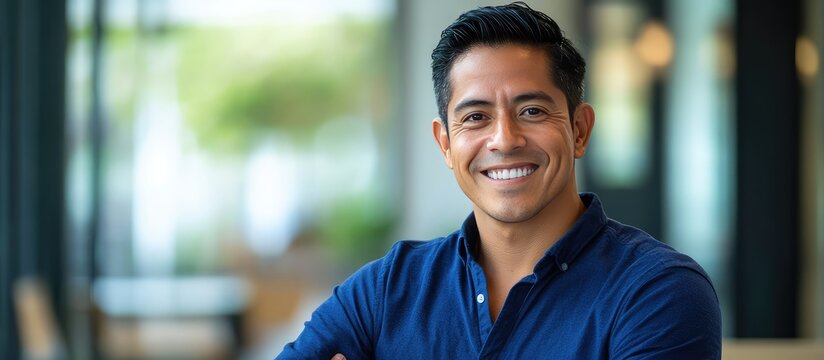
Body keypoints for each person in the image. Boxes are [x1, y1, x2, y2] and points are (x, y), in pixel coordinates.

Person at [277, 2, 721, 359]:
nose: (504, 139)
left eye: (532, 111)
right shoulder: (387, 289)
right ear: (446, 144)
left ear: (580, 129)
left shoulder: (658, 292)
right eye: (475, 117)